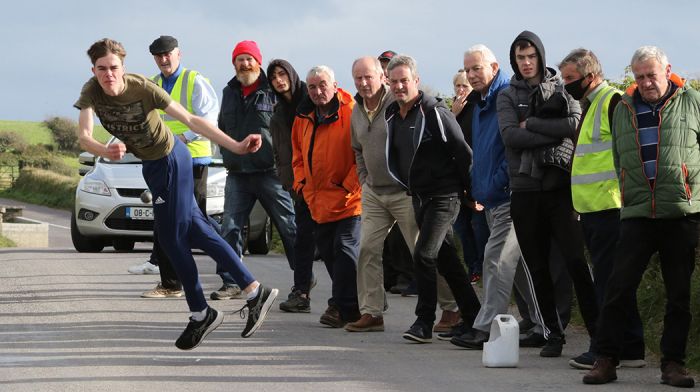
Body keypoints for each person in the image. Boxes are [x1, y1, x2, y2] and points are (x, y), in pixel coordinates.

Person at [75, 38, 278, 350]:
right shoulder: (91, 91)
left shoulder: (143, 88)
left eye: (114, 67)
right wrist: (104, 149)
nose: (108, 75)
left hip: (173, 159)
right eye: (102, 69)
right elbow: (84, 136)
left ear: (123, 67)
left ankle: (201, 312)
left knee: (171, 239)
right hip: (152, 167)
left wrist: (236, 146)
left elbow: (193, 120)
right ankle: (253, 290)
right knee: (195, 229)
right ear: (94, 70)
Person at [583, 46, 700, 388]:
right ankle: (606, 359)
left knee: (678, 294)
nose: (646, 82)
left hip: (680, 211)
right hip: (636, 213)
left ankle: (673, 364)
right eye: (639, 76)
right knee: (618, 288)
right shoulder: (623, 108)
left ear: (667, 70)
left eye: (652, 75)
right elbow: (620, 157)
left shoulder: (692, 103)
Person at [497, 30, 598, 358]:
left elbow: (574, 124)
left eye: (531, 56)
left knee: (574, 262)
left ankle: (599, 336)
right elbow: (511, 136)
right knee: (537, 267)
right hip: (524, 189)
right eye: (520, 58)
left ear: (540, 56)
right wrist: (549, 135)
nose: (526, 63)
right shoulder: (507, 95)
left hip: (559, 188)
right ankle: (552, 333)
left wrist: (534, 124)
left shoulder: (562, 87)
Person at [558, 48, 646, 370]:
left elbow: (628, 152)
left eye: (570, 79)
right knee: (616, 280)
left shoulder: (611, 102)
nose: (566, 85)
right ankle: (633, 347)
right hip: (594, 207)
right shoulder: (592, 104)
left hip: (610, 206)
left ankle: (604, 349)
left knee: (608, 282)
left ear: (590, 75)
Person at [384, 54, 481, 343]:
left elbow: (462, 152)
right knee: (447, 260)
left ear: (416, 80)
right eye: (394, 82)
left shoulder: (434, 111)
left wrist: (470, 192)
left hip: (445, 194)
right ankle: (474, 317)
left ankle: (423, 322)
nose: (400, 86)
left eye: (405, 81)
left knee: (424, 255)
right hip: (419, 195)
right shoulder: (392, 114)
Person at [133, 35, 238, 300]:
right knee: (165, 220)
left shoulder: (195, 81)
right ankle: (171, 283)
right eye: (158, 56)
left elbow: (209, 117)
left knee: (194, 223)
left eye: (168, 54)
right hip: (163, 162)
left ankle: (234, 271)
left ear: (178, 54)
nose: (163, 59)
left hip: (192, 160)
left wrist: (183, 139)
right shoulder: (152, 84)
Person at [445, 45, 529, 350]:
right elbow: (480, 152)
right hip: (490, 196)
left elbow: (512, 149)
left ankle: (484, 326)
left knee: (495, 259)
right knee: (515, 266)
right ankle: (535, 320)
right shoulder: (480, 101)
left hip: (508, 193)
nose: (471, 74)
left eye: (477, 68)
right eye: (467, 69)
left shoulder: (506, 96)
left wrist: (496, 183)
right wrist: (477, 188)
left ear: (494, 67)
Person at [218, 40, 297, 297]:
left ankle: (302, 282)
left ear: (258, 62)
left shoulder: (272, 88)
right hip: (238, 173)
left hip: (270, 172)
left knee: (288, 226)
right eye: (239, 59)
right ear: (234, 64)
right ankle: (231, 282)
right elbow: (221, 128)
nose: (244, 64)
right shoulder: (228, 92)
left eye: (249, 58)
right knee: (229, 227)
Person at [292, 65, 362, 327]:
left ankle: (344, 307)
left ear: (335, 85)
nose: (318, 91)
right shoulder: (303, 115)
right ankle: (349, 303)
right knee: (330, 255)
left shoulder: (352, 111)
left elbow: (362, 153)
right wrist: (301, 183)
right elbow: (297, 153)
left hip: (349, 199)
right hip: (317, 200)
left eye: (323, 85)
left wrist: (348, 185)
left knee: (344, 250)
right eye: (312, 87)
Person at [266, 59, 317, 313]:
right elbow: (279, 151)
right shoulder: (278, 113)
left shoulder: (312, 99)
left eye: (282, 74)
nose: (278, 80)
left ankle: (361, 294)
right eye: (273, 77)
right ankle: (301, 293)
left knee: (333, 246)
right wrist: (286, 179)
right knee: (303, 241)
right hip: (298, 187)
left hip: (323, 184)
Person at [450, 69, 487, 284]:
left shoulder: (477, 110)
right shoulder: (452, 111)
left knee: (478, 226)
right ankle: (472, 267)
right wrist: (453, 115)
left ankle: (482, 267)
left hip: (475, 178)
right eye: (458, 86)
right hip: (457, 179)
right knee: (462, 228)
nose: (461, 90)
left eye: (465, 86)